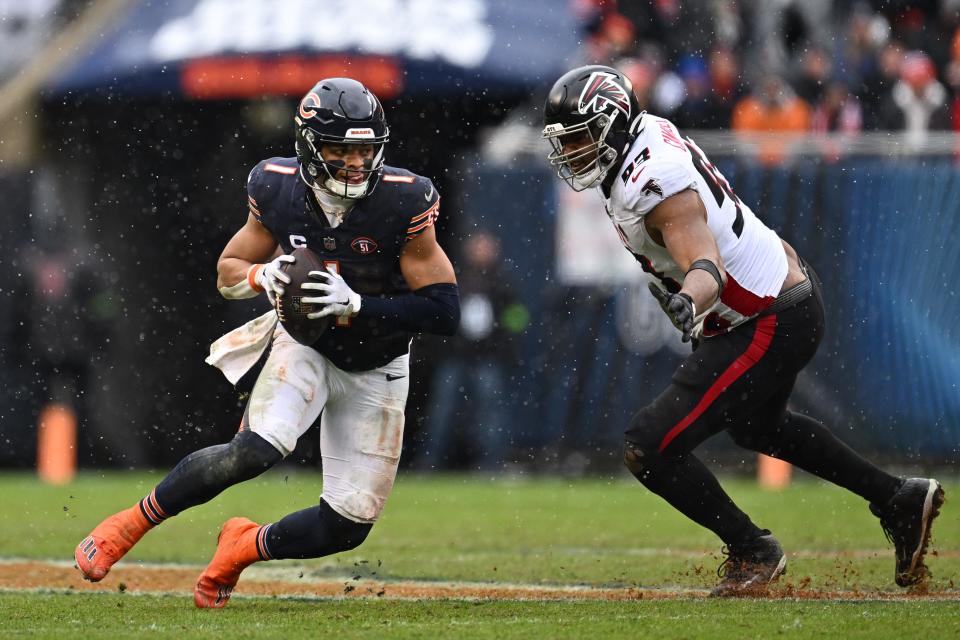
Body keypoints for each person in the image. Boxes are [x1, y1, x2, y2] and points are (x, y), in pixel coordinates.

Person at [540, 64, 945, 596]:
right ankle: (897, 498)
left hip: (766, 315)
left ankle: (753, 549)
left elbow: (707, 263)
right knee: (759, 427)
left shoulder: (650, 177)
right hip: (778, 300)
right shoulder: (644, 141)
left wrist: (689, 298)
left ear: (613, 123)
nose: (572, 155)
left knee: (650, 444)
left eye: (581, 139)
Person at [74, 77, 460, 608]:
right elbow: (228, 270)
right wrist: (263, 277)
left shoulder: (404, 199)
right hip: (307, 346)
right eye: (339, 149)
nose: (354, 163)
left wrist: (360, 304)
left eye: (364, 150)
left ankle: (242, 546)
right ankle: (128, 524)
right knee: (253, 452)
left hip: (380, 361)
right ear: (308, 147)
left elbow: (445, 310)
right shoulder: (276, 187)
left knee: (346, 526)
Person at [415, 230, 527, 471]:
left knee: (490, 412)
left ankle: (491, 464)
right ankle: (429, 463)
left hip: (488, 357)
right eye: (477, 247)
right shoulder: (455, 278)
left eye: (485, 247)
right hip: (455, 356)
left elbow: (517, 318)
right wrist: (444, 345)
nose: (481, 252)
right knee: (442, 411)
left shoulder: (503, 282)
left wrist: (502, 344)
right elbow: (438, 314)